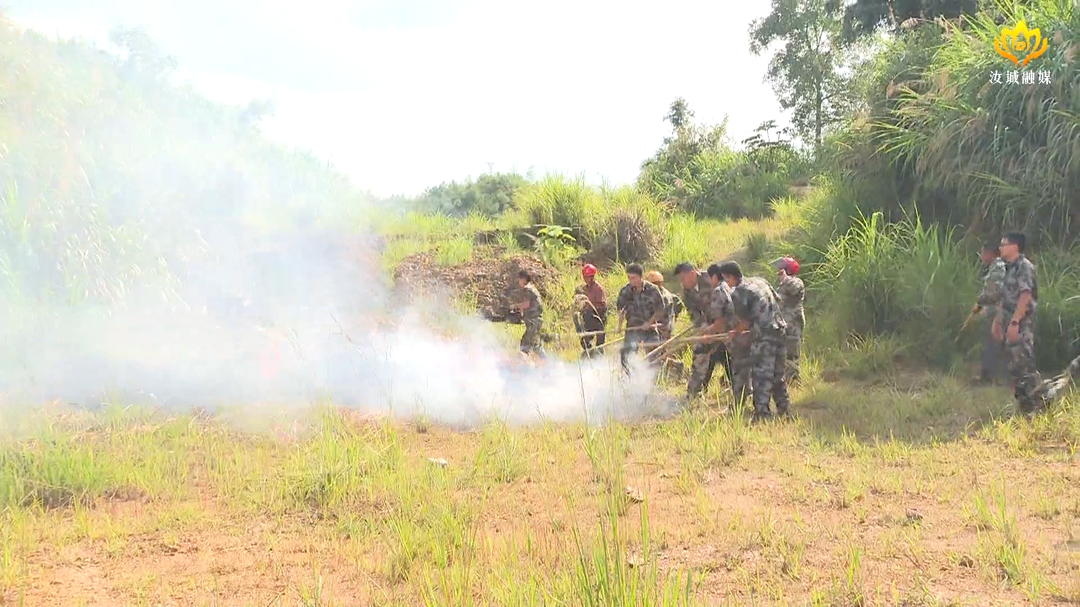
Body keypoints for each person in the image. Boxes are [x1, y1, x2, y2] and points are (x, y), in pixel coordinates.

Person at [718, 260, 790, 422]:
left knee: (761, 375)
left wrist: (734, 333)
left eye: (726, 280)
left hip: (764, 337)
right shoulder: (760, 281)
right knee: (778, 375)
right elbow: (778, 300)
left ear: (730, 277)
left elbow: (745, 323)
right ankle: (784, 409)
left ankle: (762, 414)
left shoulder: (739, 293)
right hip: (781, 330)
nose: (726, 284)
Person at [994, 232, 1046, 414]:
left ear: (1014, 246)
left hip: (1021, 324)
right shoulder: (1008, 268)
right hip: (1009, 322)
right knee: (1014, 367)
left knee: (1024, 365)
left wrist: (1015, 323)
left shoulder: (1024, 267)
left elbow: (1025, 296)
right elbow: (1004, 297)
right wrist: (998, 322)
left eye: (1003, 244)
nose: (1000, 248)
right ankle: (1023, 406)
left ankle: (1038, 407)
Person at [675, 262, 738, 402]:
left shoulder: (711, 279)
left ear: (692, 273)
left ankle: (743, 393)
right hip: (709, 328)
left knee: (734, 360)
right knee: (700, 356)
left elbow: (729, 303)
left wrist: (716, 328)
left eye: (683, 278)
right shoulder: (686, 292)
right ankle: (693, 395)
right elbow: (694, 314)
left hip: (727, 325)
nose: (682, 282)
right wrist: (703, 327)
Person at [615, 263, 665, 374]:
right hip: (632, 328)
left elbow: (660, 310)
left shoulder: (653, 290)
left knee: (654, 354)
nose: (631, 281)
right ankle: (628, 379)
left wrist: (649, 323)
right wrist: (619, 326)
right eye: (629, 278)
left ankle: (652, 380)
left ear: (641, 277)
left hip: (650, 328)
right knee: (626, 355)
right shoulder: (625, 291)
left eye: (634, 278)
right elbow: (621, 310)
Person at [971, 242, 1008, 384]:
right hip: (995, 312)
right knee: (994, 344)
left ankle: (987, 378)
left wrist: (980, 301)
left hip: (998, 313)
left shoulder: (998, 267)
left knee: (991, 344)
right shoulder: (994, 268)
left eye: (982, 253)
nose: (981, 256)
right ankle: (992, 377)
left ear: (989, 253)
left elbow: (995, 292)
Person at [770, 256, 805, 382]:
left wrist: (785, 278)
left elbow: (794, 287)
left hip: (793, 324)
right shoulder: (782, 285)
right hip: (783, 324)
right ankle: (787, 379)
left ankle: (794, 381)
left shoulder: (796, 282)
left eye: (781, 270)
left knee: (792, 355)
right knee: (783, 355)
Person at [645, 270, 683, 349]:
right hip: (660, 327)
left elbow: (660, 318)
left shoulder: (664, 298)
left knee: (654, 353)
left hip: (662, 330)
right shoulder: (657, 294)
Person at [574, 264, 607, 357]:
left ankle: (600, 361)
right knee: (584, 341)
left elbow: (602, 305)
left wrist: (589, 304)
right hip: (588, 320)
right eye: (585, 277)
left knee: (600, 345)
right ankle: (590, 355)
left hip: (598, 320)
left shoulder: (598, 288)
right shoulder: (583, 289)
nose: (586, 279)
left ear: (592, 277)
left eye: (588, 277)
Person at [513, 270, 545, 358]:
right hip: (536, 320)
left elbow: (527, 304)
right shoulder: (532, 288)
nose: (518, 281)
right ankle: (546, 363)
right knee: (536, 345)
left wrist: (515, 306)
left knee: (524, 345)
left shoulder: (527, 289)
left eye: (519, 279)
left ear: (523, 279)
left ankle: (524, 367)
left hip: (533, 321)